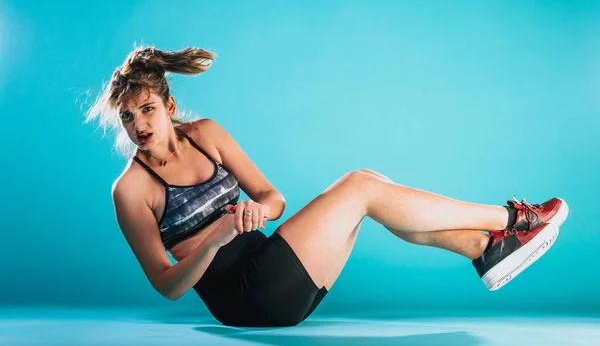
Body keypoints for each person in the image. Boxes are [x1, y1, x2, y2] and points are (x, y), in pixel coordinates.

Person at [85, 45, 569, 327]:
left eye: (146, 110)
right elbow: (167, 286)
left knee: (372, 189)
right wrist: (214, 238)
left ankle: (483, 249)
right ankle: (511, 220)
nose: (138, 125)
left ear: (168, 107)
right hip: (246, 298)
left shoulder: (206, 134)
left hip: (279, 272)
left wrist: (256, 210)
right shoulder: (130, 190)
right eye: (127, 117)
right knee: (361, 186)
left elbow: (273, 199)